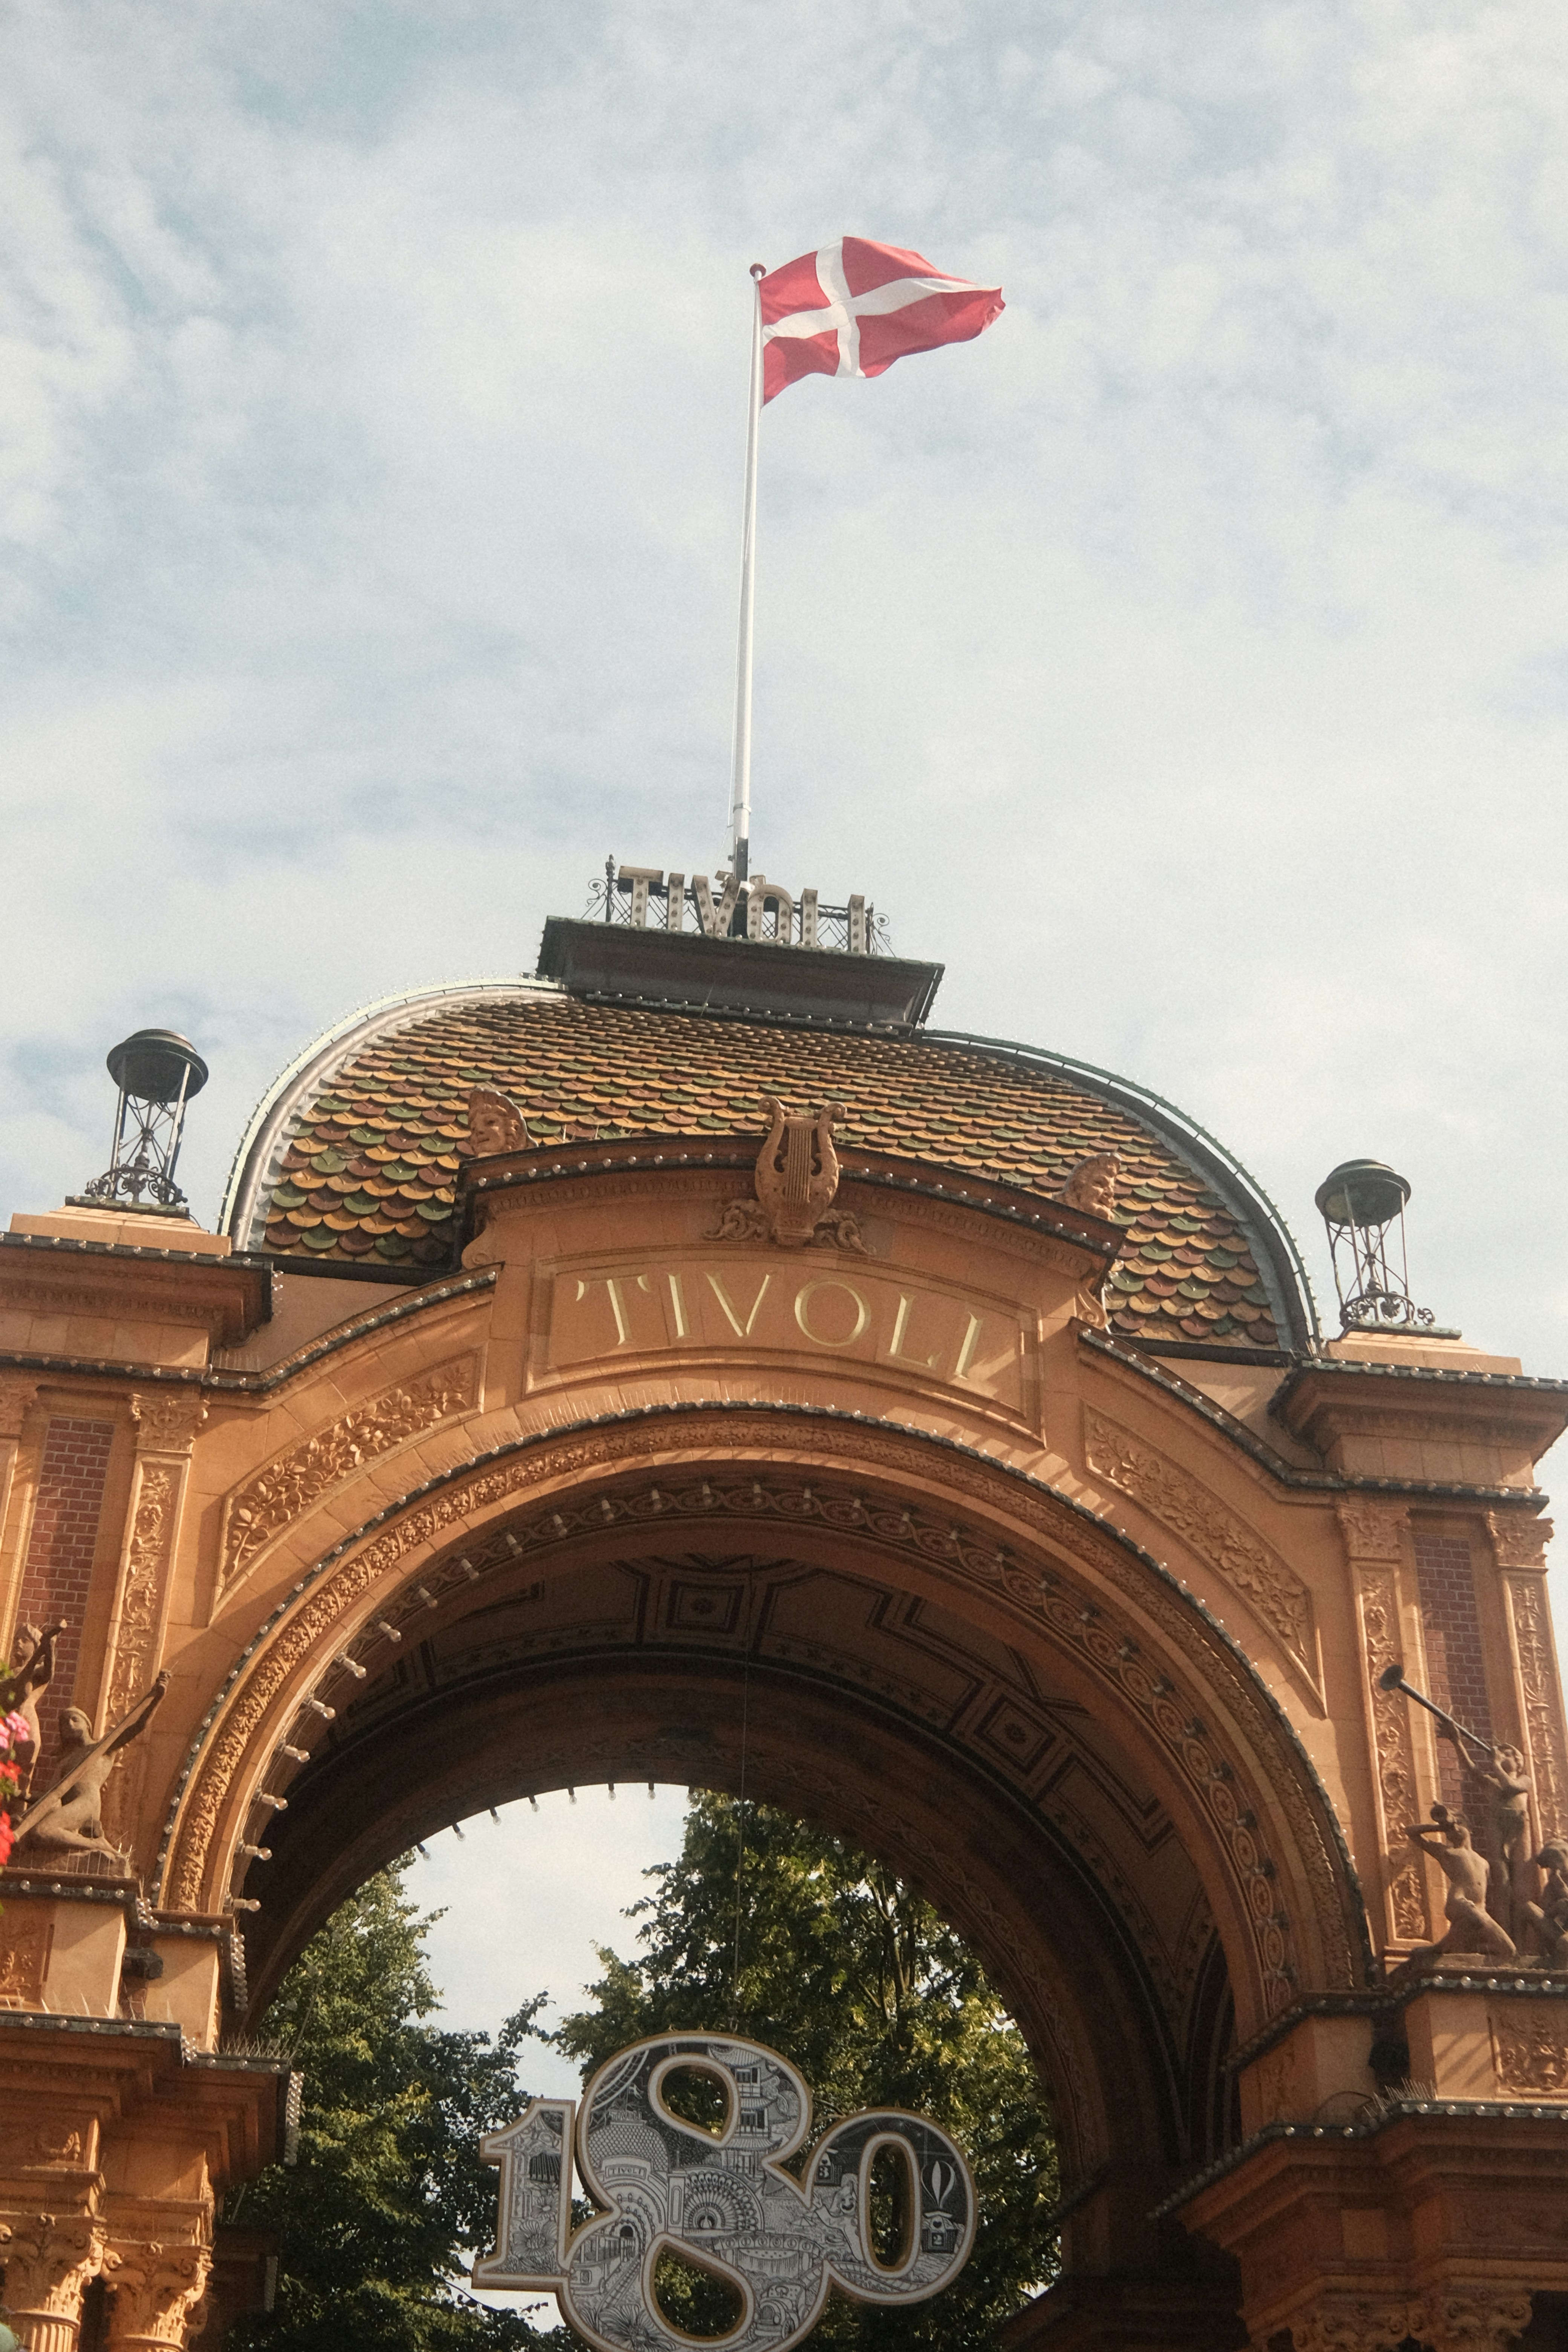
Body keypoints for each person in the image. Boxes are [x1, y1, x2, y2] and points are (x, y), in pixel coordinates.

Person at [12, 1673, 168, 1859]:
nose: (68, 1725)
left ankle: (96, 1845)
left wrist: (157, 1698)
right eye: (63, 1724)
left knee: (43, 1831)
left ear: (88, 1725)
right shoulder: (65, 1761)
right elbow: (49, 1796)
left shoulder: (102, 1749)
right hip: (66, 1805)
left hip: (87, 1803)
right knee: (34, 1836)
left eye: (74, 1720)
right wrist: (23, 1795)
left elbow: (137, 1727)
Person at [1405, 1803, 1516, 1962]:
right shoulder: (1447, 1852)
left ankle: (1439, 1950)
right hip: (1459, 1902)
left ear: (1469, 1829)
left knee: (1509, 1950)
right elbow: (1410, 1832)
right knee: (1476, 1920)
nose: (1455, 1829)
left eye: (1459, 1825)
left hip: (1478, 1910)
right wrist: (1440, 1827)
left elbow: (1483, 1896)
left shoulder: (1483, 1862)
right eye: (1451, 1829)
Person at [7, 1620, 66, 1797]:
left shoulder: (38, 1670)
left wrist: (49, 1648)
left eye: (25, 1640)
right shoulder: (9, 1673)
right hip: (6, 1724)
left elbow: (49, 1671)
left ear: (35, 1646)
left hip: (27, 1724)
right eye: (17, 1639)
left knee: (23, 1778)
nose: (18, 1643)